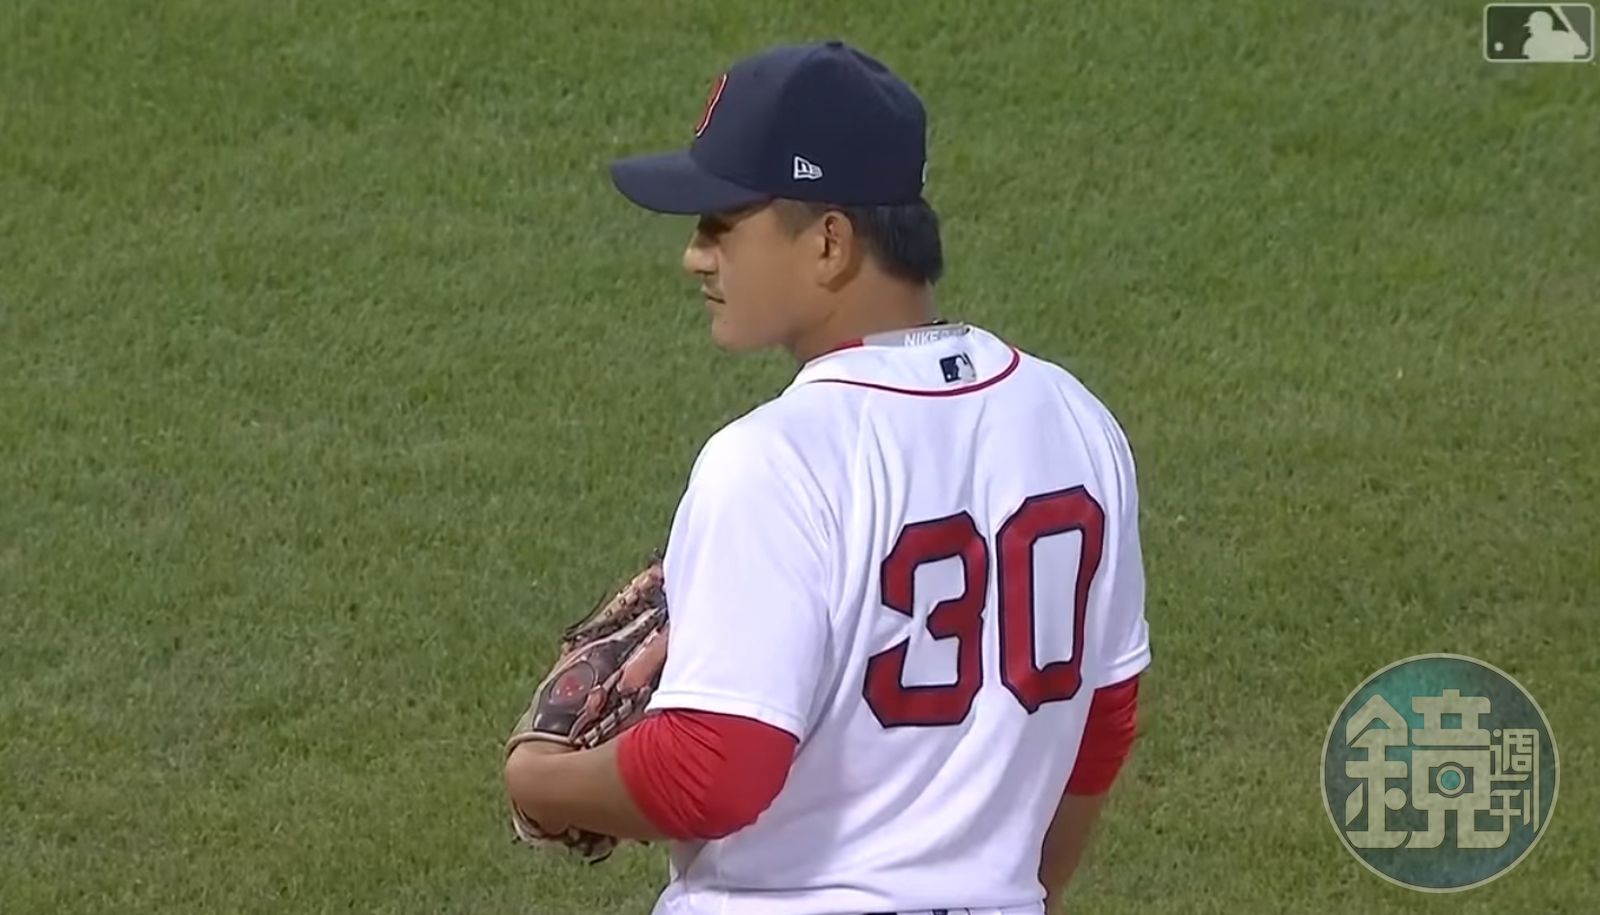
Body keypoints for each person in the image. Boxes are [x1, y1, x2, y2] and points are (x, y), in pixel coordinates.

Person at [503, 39, 1151, 915]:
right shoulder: (1076, 421)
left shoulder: (772, 460)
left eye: (722, 221)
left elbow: (714, 767)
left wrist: (540, 780)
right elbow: (1102, 720)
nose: (696, 255)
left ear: (830, 242)